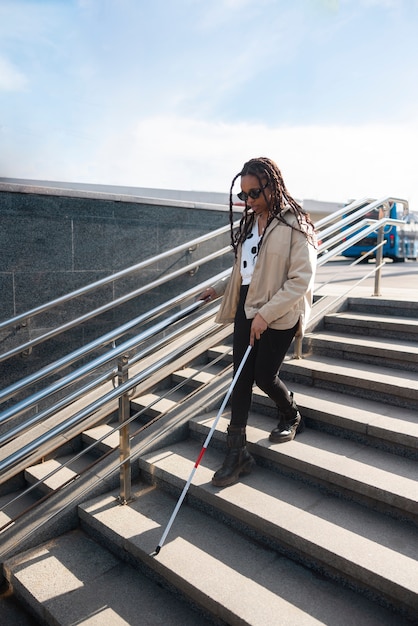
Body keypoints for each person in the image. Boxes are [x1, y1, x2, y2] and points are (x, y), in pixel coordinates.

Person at [200, 157, 317, 488]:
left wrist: (266, 314)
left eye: (253, 193)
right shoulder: (250, 225)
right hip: (246, 307)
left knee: (265, 375)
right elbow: (245, 269)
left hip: (279, 311)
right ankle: (237, 454)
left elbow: (300, 279)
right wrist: (218, 288)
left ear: (271, 186)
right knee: (240, 379)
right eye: (243, 196)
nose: (248, 201)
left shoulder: (297, 225)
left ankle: (291, 414)